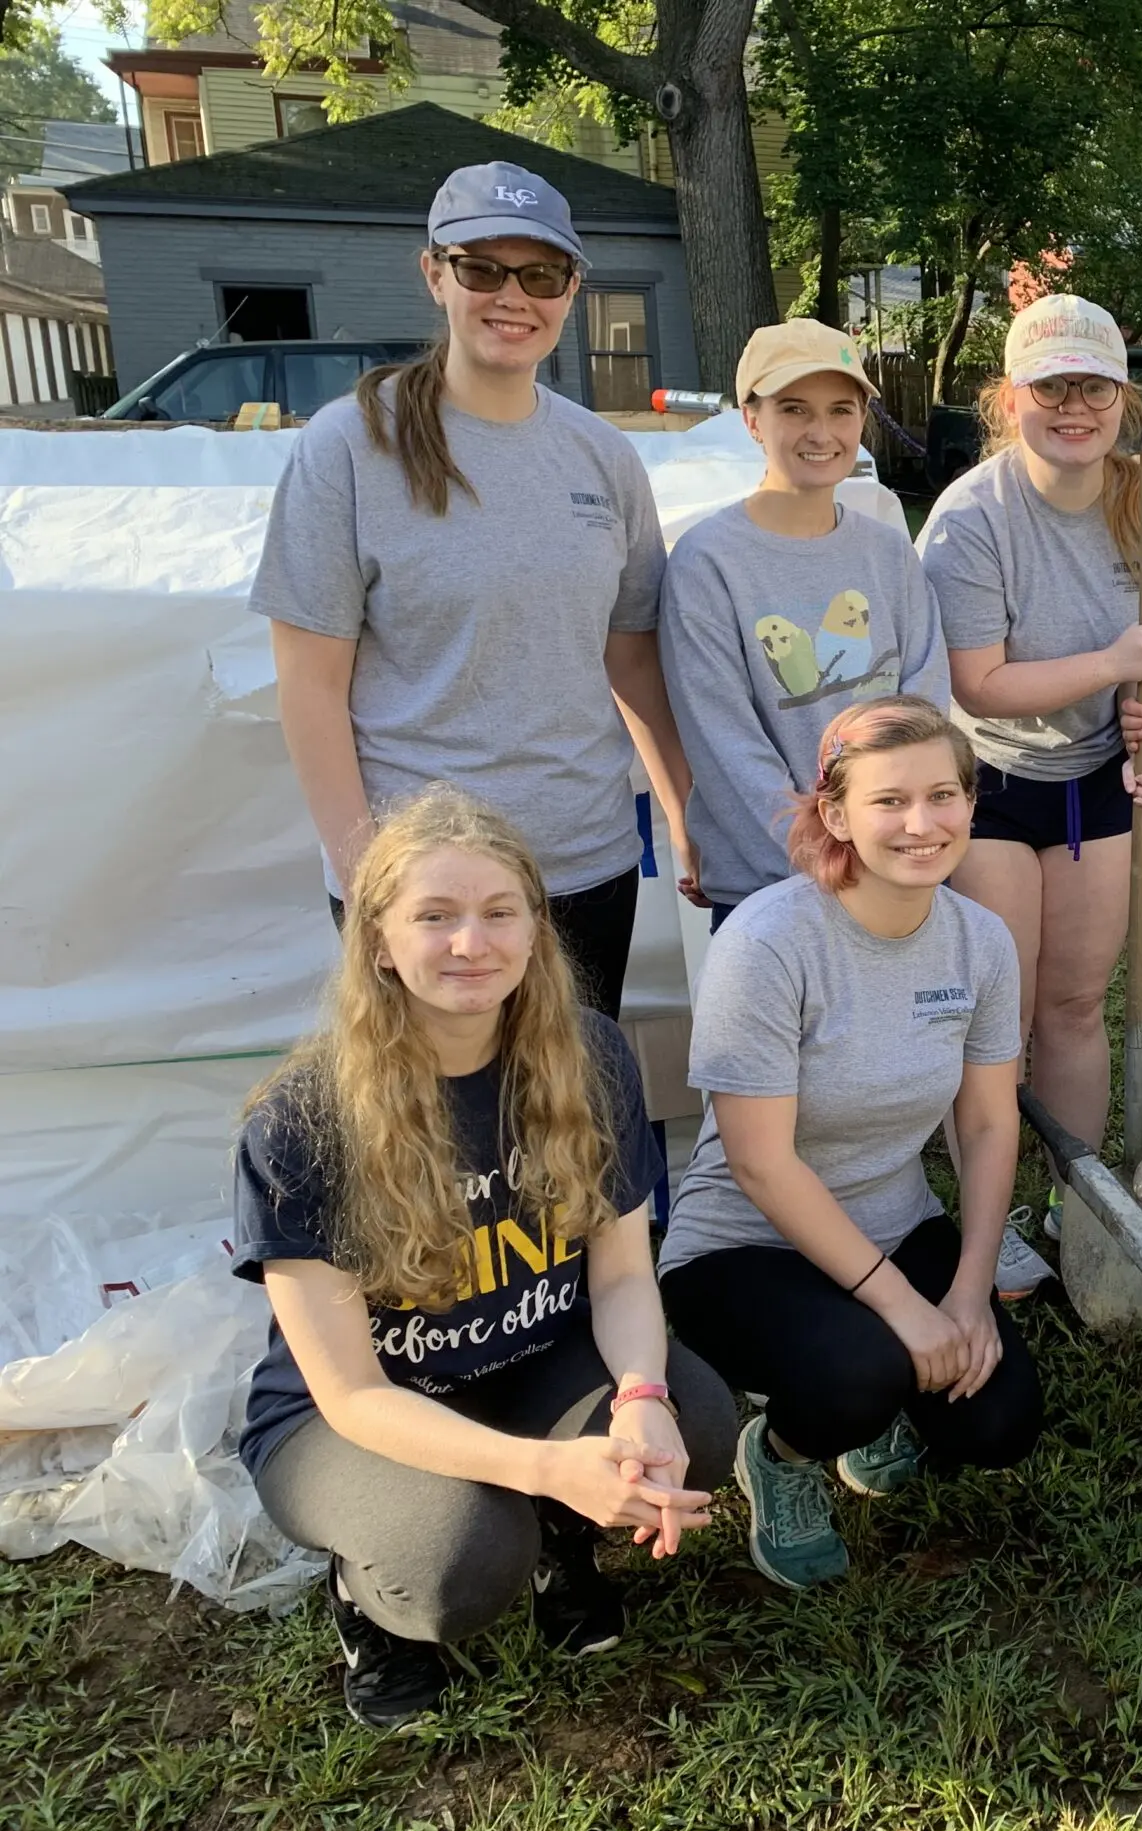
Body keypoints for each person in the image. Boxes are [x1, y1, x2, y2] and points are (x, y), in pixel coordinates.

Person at [232, 788, 734, 1731]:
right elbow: (349, 1394)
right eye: (435, 916)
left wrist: (639, 1402)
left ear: (538, 930)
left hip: (531, 1356)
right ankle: (370, 1599)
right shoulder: (300, 1122)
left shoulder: (589, 1055)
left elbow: (624, 1271)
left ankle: (559, 1535)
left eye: (500, 912)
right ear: (378, 941)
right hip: (355, 1409)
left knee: (695, 1420)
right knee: (457, 1563)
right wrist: (553, 1469)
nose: (472, 942)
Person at [253, 162, 697, 1017]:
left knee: (571, 1121)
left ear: (571, 289)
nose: (512, 297)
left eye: (541, 275)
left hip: (582, 863)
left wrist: (682, 810)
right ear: (434, 273)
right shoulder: (350, 448)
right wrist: (366, 881)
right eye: (482, 269)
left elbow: (631, 658)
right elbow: (310, 689)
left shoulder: (603, 459)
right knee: (435, 1137)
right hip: (425, 891)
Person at [656, 697, 1043, 1592]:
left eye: (944, 795)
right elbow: (760, 1161)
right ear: (834, 814)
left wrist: (971, 1292)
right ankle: (784, 1453)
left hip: (894, 1221)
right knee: (861, 1372)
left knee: (1000, 1424)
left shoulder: (980, 942)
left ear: (972, 804)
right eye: (889, 801)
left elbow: (987, 1121)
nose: (922, 823)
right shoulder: (768, 941)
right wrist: (909, 1309)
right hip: (745, 1245)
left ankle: (888, 1390)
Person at [920, 293, 1142, 1223]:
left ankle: (1078, 1207)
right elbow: (979, 684)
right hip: (990, 778)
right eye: (1050, 389)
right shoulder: (968, 520)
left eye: (1093, 387)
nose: (1073, 408)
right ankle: (991, 1221)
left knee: (1076, 1005)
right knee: (1005, 1017)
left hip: (1093, 780)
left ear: (1125, 397)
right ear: (1009, 398)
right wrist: (1115, 664)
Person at [659, 317, 950, 928]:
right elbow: (725, 742)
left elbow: (924, 698)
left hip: (892, 873)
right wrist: (829, 854)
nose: (821, 432)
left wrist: (889, 835)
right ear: (752, 419)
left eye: (841, 410)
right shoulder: (707, 563)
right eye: (795, 409)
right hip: (772, 889)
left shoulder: (888, 549)